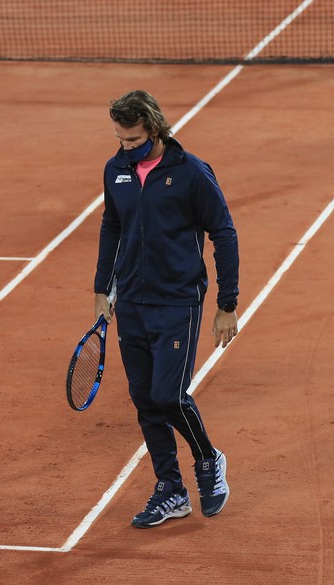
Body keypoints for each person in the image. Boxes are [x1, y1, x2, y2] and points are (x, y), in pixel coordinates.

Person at [94, 90, 239, 528]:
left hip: (178, 300)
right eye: (120, 139)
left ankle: (208, 461)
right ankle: (171, 489)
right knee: (143, 399)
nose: (126, 148)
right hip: (132, 301)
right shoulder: (116, 168)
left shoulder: (191, 172)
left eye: (134, 140)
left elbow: (224, 232)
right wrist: (103, 288)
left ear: (155, 130)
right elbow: (111, 225)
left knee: (168, 396)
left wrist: (226, 304)